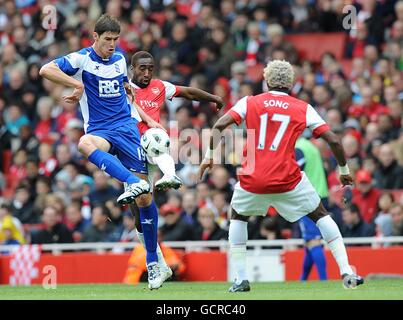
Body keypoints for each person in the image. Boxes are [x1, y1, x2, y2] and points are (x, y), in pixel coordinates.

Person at [199, 60, 364, 292]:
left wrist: (208, 156)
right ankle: (347, 270)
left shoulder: (250, 102)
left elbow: (219, 124)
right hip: (287, 178)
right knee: (321, 215)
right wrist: (344, 171)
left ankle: (240, 279)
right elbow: (334, 140)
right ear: (292, 84)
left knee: (238, 217)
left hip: (252, 177)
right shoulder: (303, 107)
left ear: (266, 81)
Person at [39, 15, 164, 289]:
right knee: (85, 144)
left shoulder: (120, 60)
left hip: (127, 128)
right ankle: (131, 182)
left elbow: (128, 92)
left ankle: (154, 264)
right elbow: (45, 69)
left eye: (115, 39)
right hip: (100, 129)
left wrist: (148, 118)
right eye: (107, 39)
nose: (112, 44)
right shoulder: (82, 59)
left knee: (144, 201)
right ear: (94, 37)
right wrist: (76, 84)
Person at [126, 50, 224, 282]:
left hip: (151, 141)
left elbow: (187, 92)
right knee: (138, 213)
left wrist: (213, 98)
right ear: (132, 69)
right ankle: (160, 263)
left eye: (151, 68)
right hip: (130, 149)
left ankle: (170, 174)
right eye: (142, 68)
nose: (147, 73)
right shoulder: (122, 89)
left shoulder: (159, 87)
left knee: (157, 139)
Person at [295, 136, 328, 281]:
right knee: (310, 239)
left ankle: (324, 280)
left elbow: (294, 172)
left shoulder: (298, 148)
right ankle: (303, 279)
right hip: (320, 194)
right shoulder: (309, 146)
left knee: (313, 240)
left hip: (308, 197)